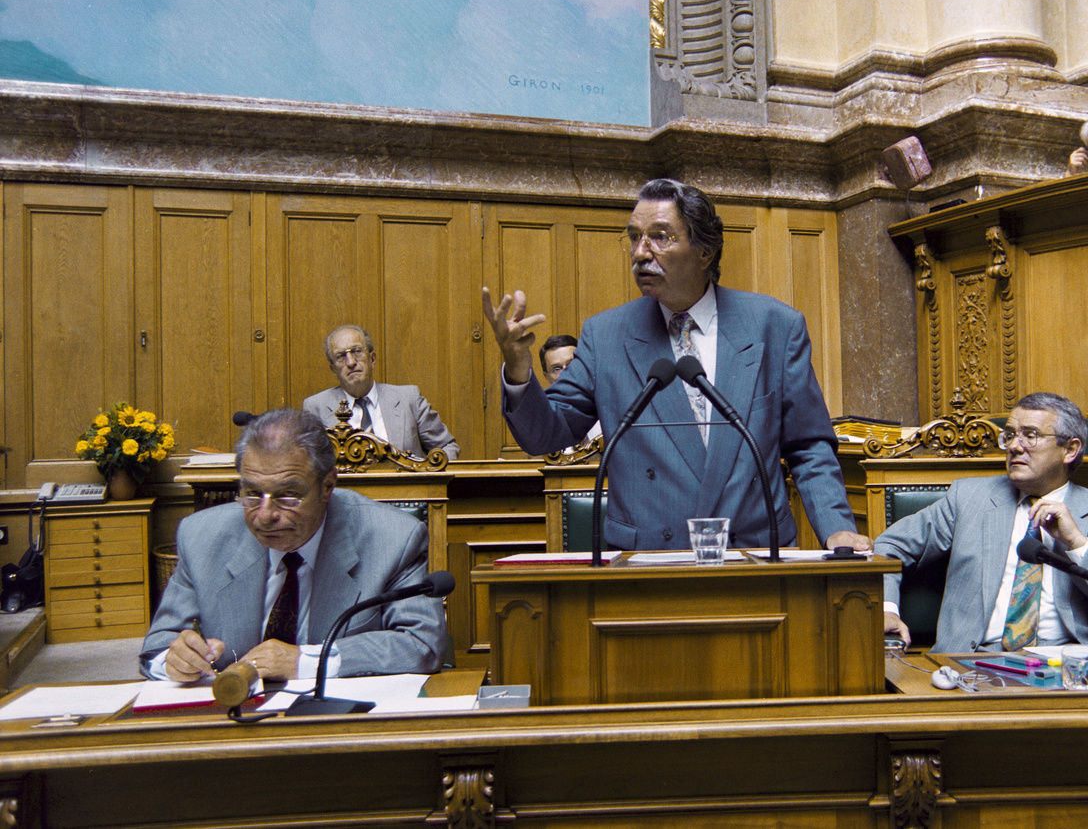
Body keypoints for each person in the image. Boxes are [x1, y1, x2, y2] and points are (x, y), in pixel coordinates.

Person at [482, 178, 871, 552]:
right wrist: (517, 368)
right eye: (635, 237)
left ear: (705, 251)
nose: (640, 253)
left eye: (660, 236)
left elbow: (808, 446)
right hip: (649, 565)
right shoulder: (606, 335)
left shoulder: (774, 326)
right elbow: (547, 434)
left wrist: (836, 527)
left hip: (753, 558)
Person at [140, 409, 451, 681]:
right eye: (251, 493)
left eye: (288, 495)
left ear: (328, 486)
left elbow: (421, 643)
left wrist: (306, 662)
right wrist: (174, 660)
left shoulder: (393, 537)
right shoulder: (201, 536)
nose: (264, 515)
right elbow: (156, 647)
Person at [874, 392, 1088, 653]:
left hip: (1065, 667)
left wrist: (1078, 545)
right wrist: (888, 608)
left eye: (1030, 435)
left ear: (1070, 449)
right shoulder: (968, 499)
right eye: (1009, 435)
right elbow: (889, 546)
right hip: (969, 664)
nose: (1014, 446)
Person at [303, 324, 459, 461]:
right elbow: (310, 463)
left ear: (372, 359)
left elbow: (447, 446)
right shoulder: (316, 407)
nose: (350, 362)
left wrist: (428, 481)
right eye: (341, 357)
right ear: (333, 369)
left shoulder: (408, 399)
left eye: (357, 351)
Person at [540, 333, 602, 448]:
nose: (566, 373)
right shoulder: (544, 420)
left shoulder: (609, 408)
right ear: (547, 376)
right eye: (556, 369)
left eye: (571, 364)